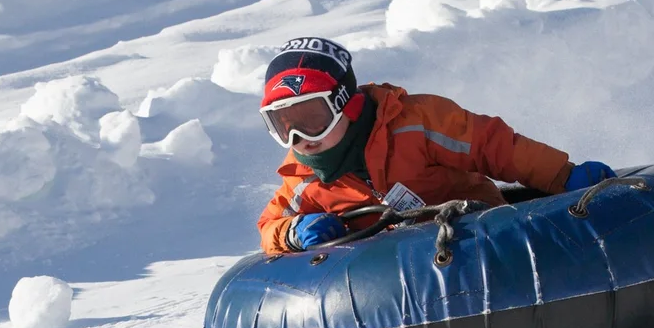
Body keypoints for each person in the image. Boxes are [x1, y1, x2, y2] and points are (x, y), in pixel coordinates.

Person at [256, 36, 615, 253]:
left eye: (311, 119)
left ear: (345, 105)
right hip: (393, 275)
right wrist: (293, 233)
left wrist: (561, 175)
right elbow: (270, 225)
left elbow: (493, 146)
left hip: (479, 237)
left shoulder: (417, 123)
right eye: (282, 125)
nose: (298, 139)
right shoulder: (303, 179)